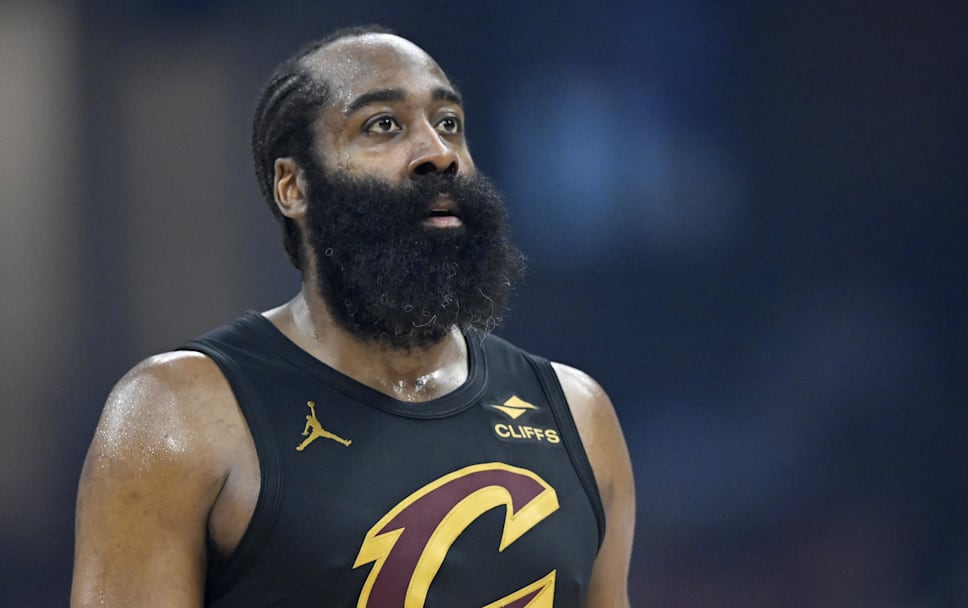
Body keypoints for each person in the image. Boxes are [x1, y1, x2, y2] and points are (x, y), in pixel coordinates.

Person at [71, 25, 635, 607]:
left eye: (449, 124)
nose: (439, 153)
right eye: (383, 125)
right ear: (293, 186)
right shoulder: (177, 413)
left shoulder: (577, 414)